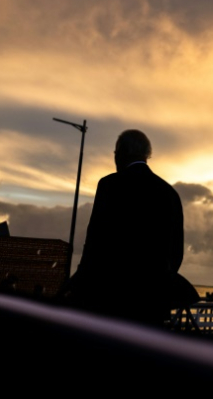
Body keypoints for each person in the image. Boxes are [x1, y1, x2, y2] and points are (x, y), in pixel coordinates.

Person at [66, 129, 197, 325]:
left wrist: (77, 282)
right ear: (147, 155)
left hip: (111, 299)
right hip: (152, 304)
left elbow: (95, 242)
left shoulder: (110, 185)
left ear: (121, 152)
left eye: (115, 154)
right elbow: (176, 252)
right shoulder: (169, 193)